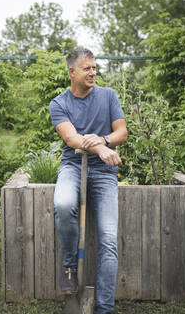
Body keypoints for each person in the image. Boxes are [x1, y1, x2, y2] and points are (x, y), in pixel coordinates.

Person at [49, 48, 128, 314]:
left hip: (104, 174)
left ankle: (104, 308)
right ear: (72, 72)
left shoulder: (108, 96)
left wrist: (104, 140)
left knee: (108, 238)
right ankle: (70, 270)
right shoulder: (59, 103)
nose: (93, 72)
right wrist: (101, 149)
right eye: (87, 68)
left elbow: (122, 131)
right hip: (72, 165)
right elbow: (72, 140)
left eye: (94, 67)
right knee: (62, 204)